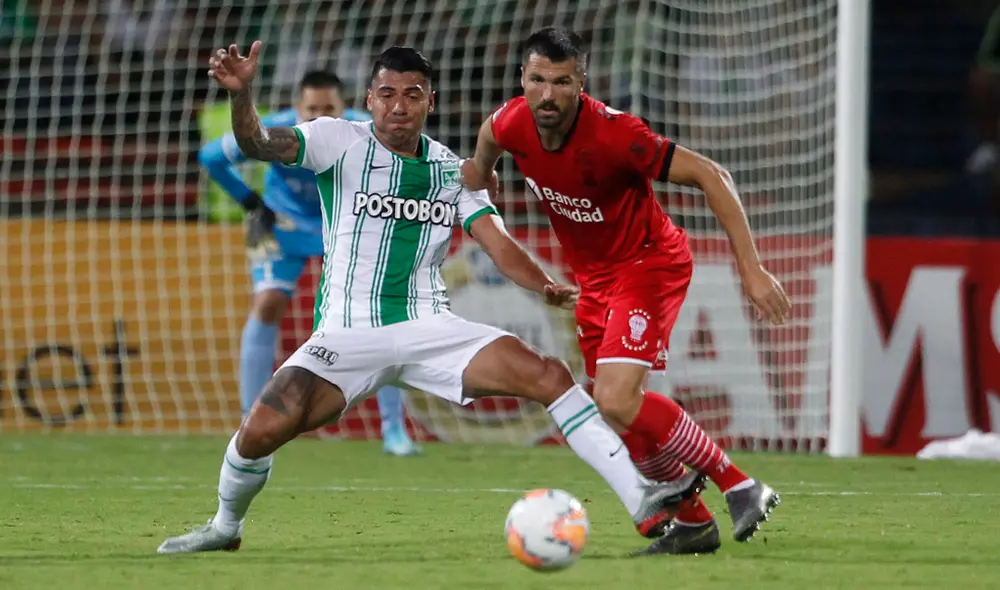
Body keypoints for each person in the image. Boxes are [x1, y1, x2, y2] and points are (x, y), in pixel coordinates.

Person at [156, 43, 704, 555]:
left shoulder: (453, 170)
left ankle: (643, 499)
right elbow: (257, 144)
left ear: (429, 102)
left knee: (550, 376)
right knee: (259, 432)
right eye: (387, 94)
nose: (398, 106)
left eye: (412, 94)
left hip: (430, 329)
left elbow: (498, 244)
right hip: (346, 336)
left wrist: (543, 285)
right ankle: (225, 528)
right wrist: (240, 94)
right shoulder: (335, 139)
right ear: (370, 99)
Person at [463, 27, 792, 555]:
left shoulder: (616, 135)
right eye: (537, 79)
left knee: (616, 397)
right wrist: (483, 173)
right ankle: (694, 524)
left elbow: (712, 174)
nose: (548, 94)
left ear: (581, 83)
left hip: (649, 265)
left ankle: (740, 485)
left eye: (562, 82)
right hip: (595, 282)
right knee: (613, 412)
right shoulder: (511, 122)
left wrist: (750, 270)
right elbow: (487, 142)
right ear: (522, 79)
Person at [198, 70, 419, 456]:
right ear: (296, 109)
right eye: (311, 109)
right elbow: (212, 157)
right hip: (285, 225)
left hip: (344, 227)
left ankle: (394, 431)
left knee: (380, 316)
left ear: (344, 107)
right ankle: (251, 425)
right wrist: (250, 202)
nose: (320, 117)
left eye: (328, 108)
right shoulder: (273, 131)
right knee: (267, 304)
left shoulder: (366, 130)